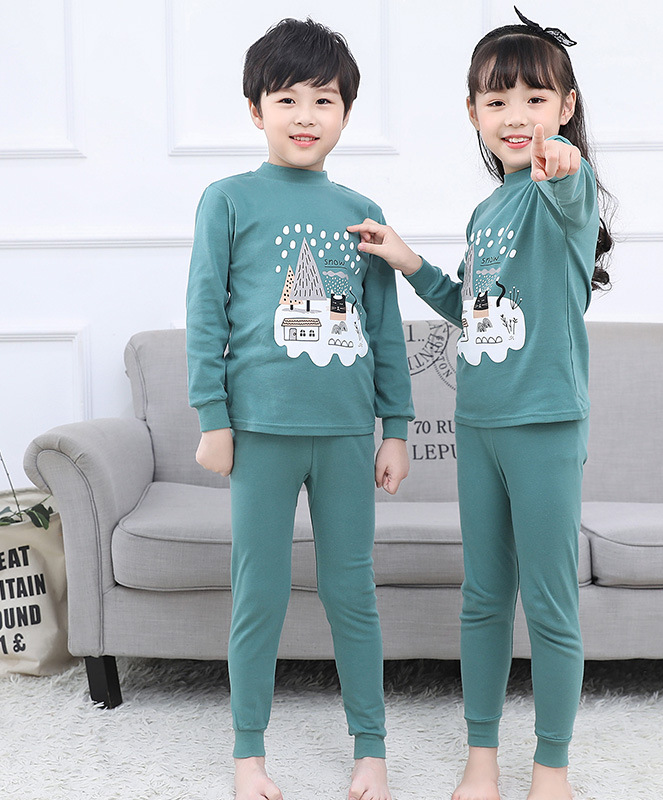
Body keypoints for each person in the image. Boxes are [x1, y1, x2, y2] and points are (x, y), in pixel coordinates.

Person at [349, 8, 613, 800]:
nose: (516, 116)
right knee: (484, 599)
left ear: (565, 106)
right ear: (473, 112)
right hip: (480, 425)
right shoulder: (487, 210)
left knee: (550, 604)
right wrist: (407, 261)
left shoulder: (562, 190)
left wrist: (563, 163)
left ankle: (552, 769)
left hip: (544, 425)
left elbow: (569, 176)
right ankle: (481, 759)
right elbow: (472, 309)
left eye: (536, 98)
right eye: (498, 101)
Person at [185, 17, 413, 800]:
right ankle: (248, 754)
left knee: (353, 593)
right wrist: (213, 417)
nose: (306, 115)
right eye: (287, 99)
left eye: (324, 99)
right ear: (256, 110)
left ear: (346, 112)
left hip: (347, 433)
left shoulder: (361, 208)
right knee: (261, 593)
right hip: (259, 434)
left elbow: (384, 328)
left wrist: (397, 428)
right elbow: (205, 315)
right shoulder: (227, 201)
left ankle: (371, 749)